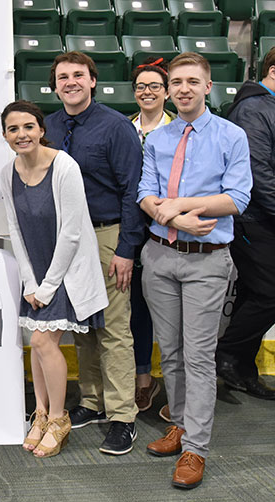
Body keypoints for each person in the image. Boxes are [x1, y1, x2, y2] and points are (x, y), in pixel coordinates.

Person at [138, 52, 252, 489]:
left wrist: (181, 208)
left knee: (199, 356)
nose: (183, 88)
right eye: (176, 82)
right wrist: (171, 219)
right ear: (168, 90)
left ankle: (195, 450)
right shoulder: (159, 139)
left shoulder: (231, 135)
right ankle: (181, 426)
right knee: (171, 353)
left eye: (192, 81)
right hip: (159, 257)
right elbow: (146, 192)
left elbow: (236, 198)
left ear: (208, 87)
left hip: (207, 260)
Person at [44, 52, 145, 455]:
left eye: (78, 75)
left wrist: (125, 249)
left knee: (114, 328)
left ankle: (123, 416)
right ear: (54, 86)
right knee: (81, 324)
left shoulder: (115, 126)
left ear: (92, 82)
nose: (70, 82)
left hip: (107, 235)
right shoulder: (48, 126)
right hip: (66, 239)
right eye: (63, 76)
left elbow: (132, 191)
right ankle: (92, 401)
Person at [0, 100, 108, 458]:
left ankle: (59, 418)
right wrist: (30, 283)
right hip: (37, 273)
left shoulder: (64, 166)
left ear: (41, 130)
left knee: (44, 343)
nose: (22, 134)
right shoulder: (7, 172)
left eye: (28, 127)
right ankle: (41, 415)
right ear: (5, 136)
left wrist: (47, 286)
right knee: (36, 343)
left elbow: (72, 234)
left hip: (67, 271)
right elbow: (15, 230)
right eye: (13, 129)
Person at [214, 46, 275, 400]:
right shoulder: (254, 108)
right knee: (269, 293)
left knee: (254, 293)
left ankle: (241, 370)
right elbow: (257, 173)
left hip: (264, 218)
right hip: (251, 218)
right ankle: (224, 354)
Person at [128, 57, 177, 417]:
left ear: (167, 92)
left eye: (154, 86)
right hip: (132, 230)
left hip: (169, 230)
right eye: (141, 87)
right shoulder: (124, 129)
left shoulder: (180, 129)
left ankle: (182, 396)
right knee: (136, 310)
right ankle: (143, 379)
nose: (147, 92)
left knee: (175, 314)